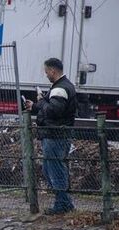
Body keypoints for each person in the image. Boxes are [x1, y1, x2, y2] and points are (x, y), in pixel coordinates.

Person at [25, 57, 77, 215]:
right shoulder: (60, 87)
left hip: (55, 135)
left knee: (55, 170)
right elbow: (49, 106)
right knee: (50, 169)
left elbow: (54, 110)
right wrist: (36, 105)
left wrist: (39, 104)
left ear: (53, 71)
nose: (46, 74)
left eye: (46, 71)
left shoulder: (59, 89)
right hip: (56, 134)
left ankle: (62, 204)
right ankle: (64, 202)